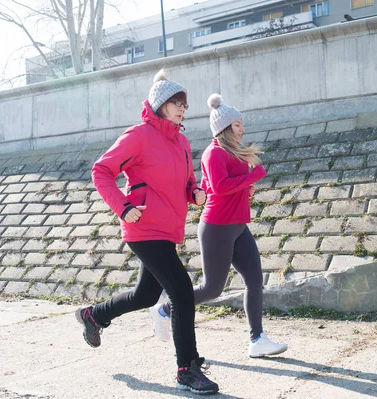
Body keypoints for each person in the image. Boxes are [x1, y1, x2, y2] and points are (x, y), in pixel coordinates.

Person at [75, 69, 219, 395]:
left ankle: (93, 315)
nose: (182, 109)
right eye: (175, 103)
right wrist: (124, 207)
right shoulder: (138, 136)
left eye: (184, 104)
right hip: (142, 227)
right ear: (159, 105)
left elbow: (185, 182)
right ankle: (187, 368)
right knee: (181, 291)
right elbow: (101, 171)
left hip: (167, 228)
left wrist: (193, 193)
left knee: (146, 295)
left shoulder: (181, 141)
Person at [150, 93, 288, 358]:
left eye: (241, 124)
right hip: (217, 227)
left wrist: (247, 188)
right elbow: (221, 189)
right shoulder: (213, 153)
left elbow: (230, 187)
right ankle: (165, 309)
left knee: (255, 279)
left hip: (238, 226)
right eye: (237, 124)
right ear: (225, 128)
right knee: (212, 289)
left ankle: (257, 339)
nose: (242, 128)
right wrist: (251, 178)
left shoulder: (235, 153)